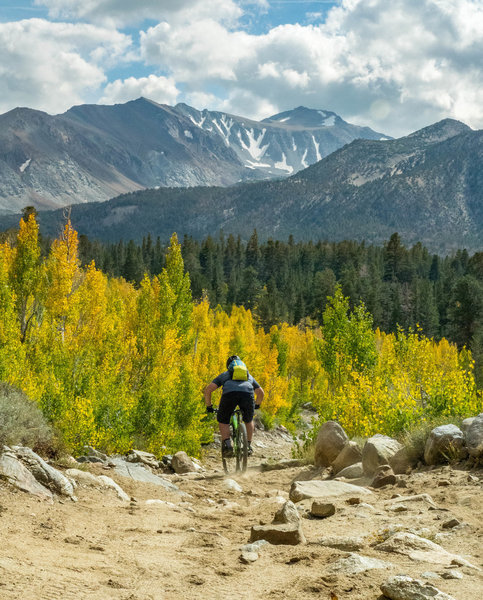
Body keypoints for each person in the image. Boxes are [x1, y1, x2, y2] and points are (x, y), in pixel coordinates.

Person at [204, 355, 264, 457]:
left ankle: (228, 446)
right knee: (248, 420)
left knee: (223, 420)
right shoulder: (248, 376)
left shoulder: (225, 375)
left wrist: (209, 406)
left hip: (229, 395)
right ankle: (248, 446)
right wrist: (257, 405)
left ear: (229, 366)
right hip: (247, 395)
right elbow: (261, 393)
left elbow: (208, 390)